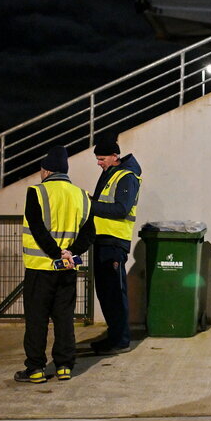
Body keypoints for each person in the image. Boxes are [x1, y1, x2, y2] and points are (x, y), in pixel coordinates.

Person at [15, 146, 94, 384]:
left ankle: (36, 369)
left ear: (47, 170)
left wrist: (56, 253)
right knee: (64, 319)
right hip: (68, 269)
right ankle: (64, 367)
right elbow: (89, 233)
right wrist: (71, 253)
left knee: (37, 320)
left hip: (41, 269)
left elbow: (38, 229)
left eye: (41, 170)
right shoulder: (82, 195)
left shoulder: (36, 193)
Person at [88, 132, 143, 355]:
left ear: (114, 155)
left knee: (114, 293)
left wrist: (89, 205)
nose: (99, 164)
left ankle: (120, 341)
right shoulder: (112, 173)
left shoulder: (126, 177)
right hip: (103, 240)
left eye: (102, 159)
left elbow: (121, 209)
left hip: (114, 243)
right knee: (106, 293)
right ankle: (114, 338)